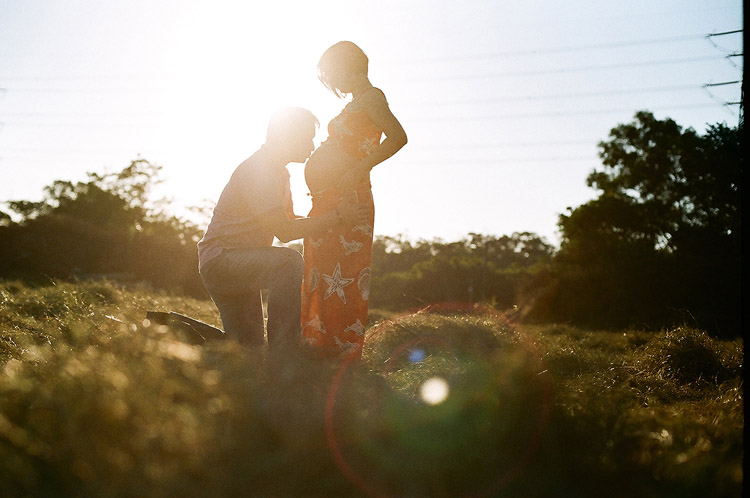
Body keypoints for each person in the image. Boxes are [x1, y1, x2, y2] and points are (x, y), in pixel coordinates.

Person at [197, 107, 370, 352]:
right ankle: (287, 351)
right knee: (288, 262)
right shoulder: (260, 170)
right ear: (287, 137)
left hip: (234, 262)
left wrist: (332, 216)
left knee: (248, 349)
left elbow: (288, 220)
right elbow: (285, 231)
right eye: (307, 138)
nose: (312, 146)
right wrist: (338, 217)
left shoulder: (279, 173)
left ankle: (179, 334)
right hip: (223, 261)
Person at [301, 41, 407, 359]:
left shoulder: (372, 98)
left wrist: (360, 167)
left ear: (347, 66)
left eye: (332, 74)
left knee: (342, 275)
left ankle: (338, 353)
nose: (333, 83)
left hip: (349, 197)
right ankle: (316, 345)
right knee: (320, 271)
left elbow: (399, 136)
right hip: (329, 197)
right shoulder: (356, 102)